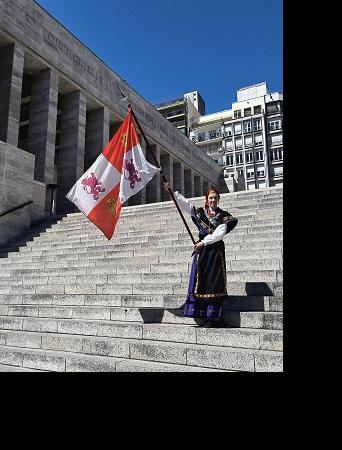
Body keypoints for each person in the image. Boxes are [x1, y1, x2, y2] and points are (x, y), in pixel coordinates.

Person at [164, 182, 238, 328]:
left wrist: (204, 242)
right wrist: (172, 191)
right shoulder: (200, 213)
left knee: (215, 283)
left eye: (215, 198)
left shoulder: (223, 216)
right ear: (206, 199)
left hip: (215, 252)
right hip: (203, 253)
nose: (213, 200)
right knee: (202, 281)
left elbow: (219, 234)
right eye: (210, 198)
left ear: (218, 200)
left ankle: (214, 317)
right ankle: (202, 315)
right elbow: (187, 206)